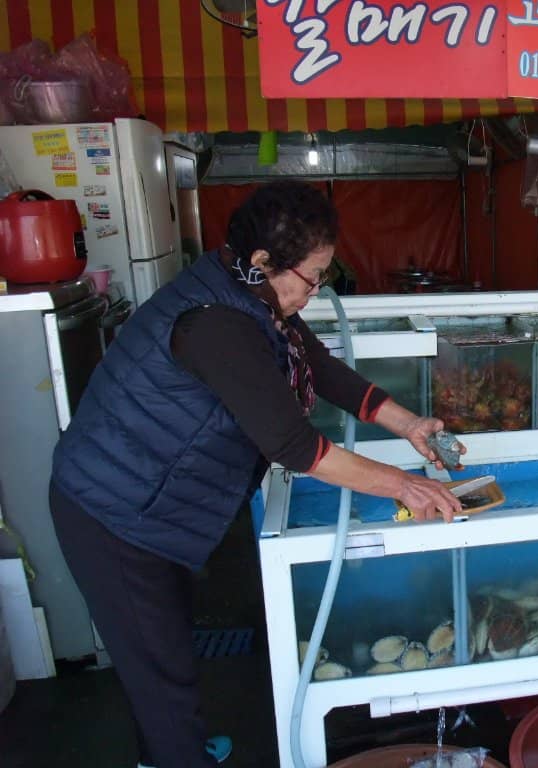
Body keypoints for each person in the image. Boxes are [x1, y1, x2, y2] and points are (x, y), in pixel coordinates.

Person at [49, 181, 464, 768]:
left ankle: (170, 748)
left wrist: (409, 424)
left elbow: (318, 367)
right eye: (312, 277)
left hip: (157, 502)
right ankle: (175, 755)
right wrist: (405, 485)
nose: (317, 291)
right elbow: (295, 446)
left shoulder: (251, 293)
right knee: (160, 670)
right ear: (264, 260)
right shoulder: (214, 324)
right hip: (112, 511)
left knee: (163, 652)